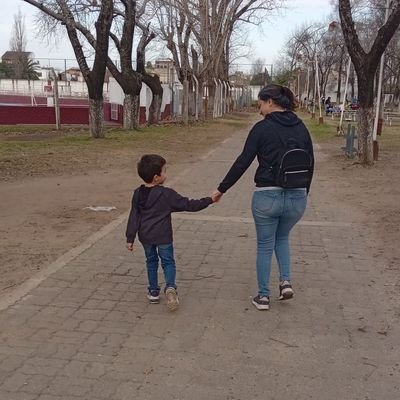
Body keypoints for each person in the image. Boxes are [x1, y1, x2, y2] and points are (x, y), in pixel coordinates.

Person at [212, 84, 314, 311]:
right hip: (297, 196)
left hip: (267, 195)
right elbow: (310, 162)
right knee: (283, 238)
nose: (258, 107)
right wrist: (304, 192)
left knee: (265, 245)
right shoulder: (301, 127)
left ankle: (263, 296)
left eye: (260, 102)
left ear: (270, 102)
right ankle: (285, 282)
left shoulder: (261, 129)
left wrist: (222, 189)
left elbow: (243, 161)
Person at [126, 154, 218, 311]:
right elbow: (188, 204)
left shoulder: (137, 193)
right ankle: (170, 287)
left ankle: (153, 291)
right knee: (168, 261)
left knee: (151, 261)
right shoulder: (167, 194)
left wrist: (130, 237)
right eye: (164, 171)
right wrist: (209, 200)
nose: (166, 174)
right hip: (164, 236)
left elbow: (134, 215)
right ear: (156, 177)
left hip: (145, 236)